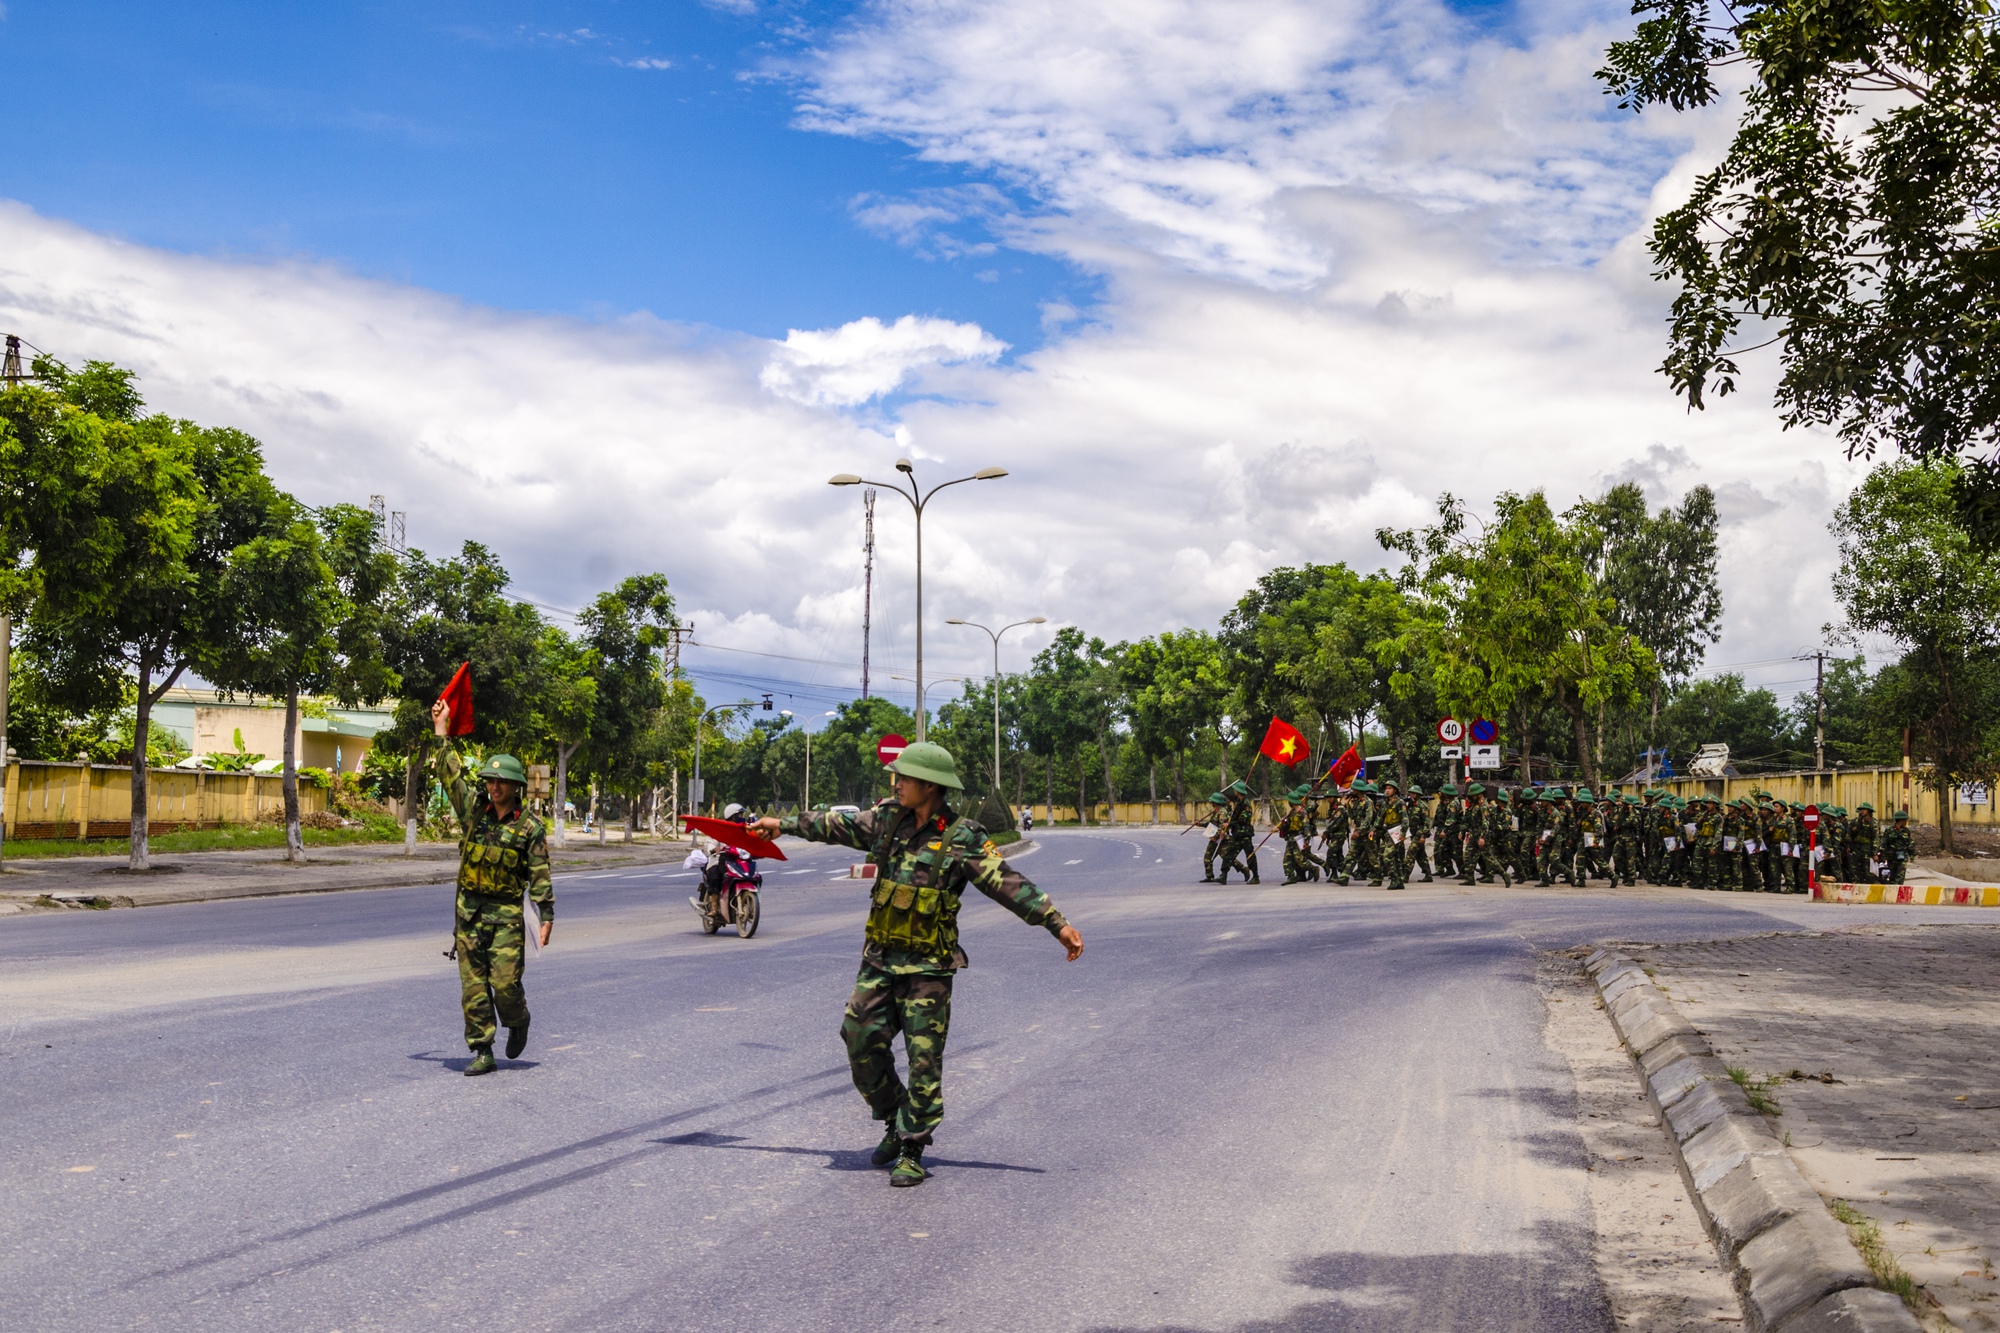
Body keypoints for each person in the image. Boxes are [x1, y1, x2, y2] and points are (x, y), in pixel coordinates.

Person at [752, 741, 1082, 1187]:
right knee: (859, 1040)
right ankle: (894, 1116)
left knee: (924, 1060)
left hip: (929, 968)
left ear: (929, 785)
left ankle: (912, 1146)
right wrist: (782, 824)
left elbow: (1006, 882)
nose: (897, 782)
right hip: (881, 960)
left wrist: (1055, 923)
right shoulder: (888, 820)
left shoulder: (962, 837)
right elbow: (837, 824)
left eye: (905, 777)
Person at [431, 697, 553, 1077]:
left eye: (501, 781)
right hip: (469, 913)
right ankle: (482, 1049)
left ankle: (518, 1020)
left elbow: (539, 874)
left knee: (504, 986)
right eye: (490, 780)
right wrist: (441, 730)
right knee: (473, 988)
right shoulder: (474, 812)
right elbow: (450, 774)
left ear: (516, 786)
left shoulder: (529, 828)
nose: (494, 786)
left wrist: (546, 915)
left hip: (506, 918)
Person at [1217, 780, 1260, 884]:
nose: (1234, 791)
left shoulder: (1246, 803)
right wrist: (1226, 823)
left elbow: (1244, 819)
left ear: (1238, 791)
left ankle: (1255, 876)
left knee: (1250, 855)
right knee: (1229, 855)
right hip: (1236, 834)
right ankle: (1223, 875)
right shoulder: (1237, 803)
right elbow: (1232, 816)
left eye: (1235, 789)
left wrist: (1230, 824)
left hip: (1244, 834)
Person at [1881, 809, 1914, 884]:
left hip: (1902, 857)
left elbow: (1910, 843)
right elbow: (1884, 843)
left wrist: (1912, 855)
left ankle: (1898, 892)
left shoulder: (1906, 831)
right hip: (1892, 857)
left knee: (1900, 877)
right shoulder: (1889, 830)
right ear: (1900, 820)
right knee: (1892, 877)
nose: (1906, 821)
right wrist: (1883, 855)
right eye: (1905, 819)